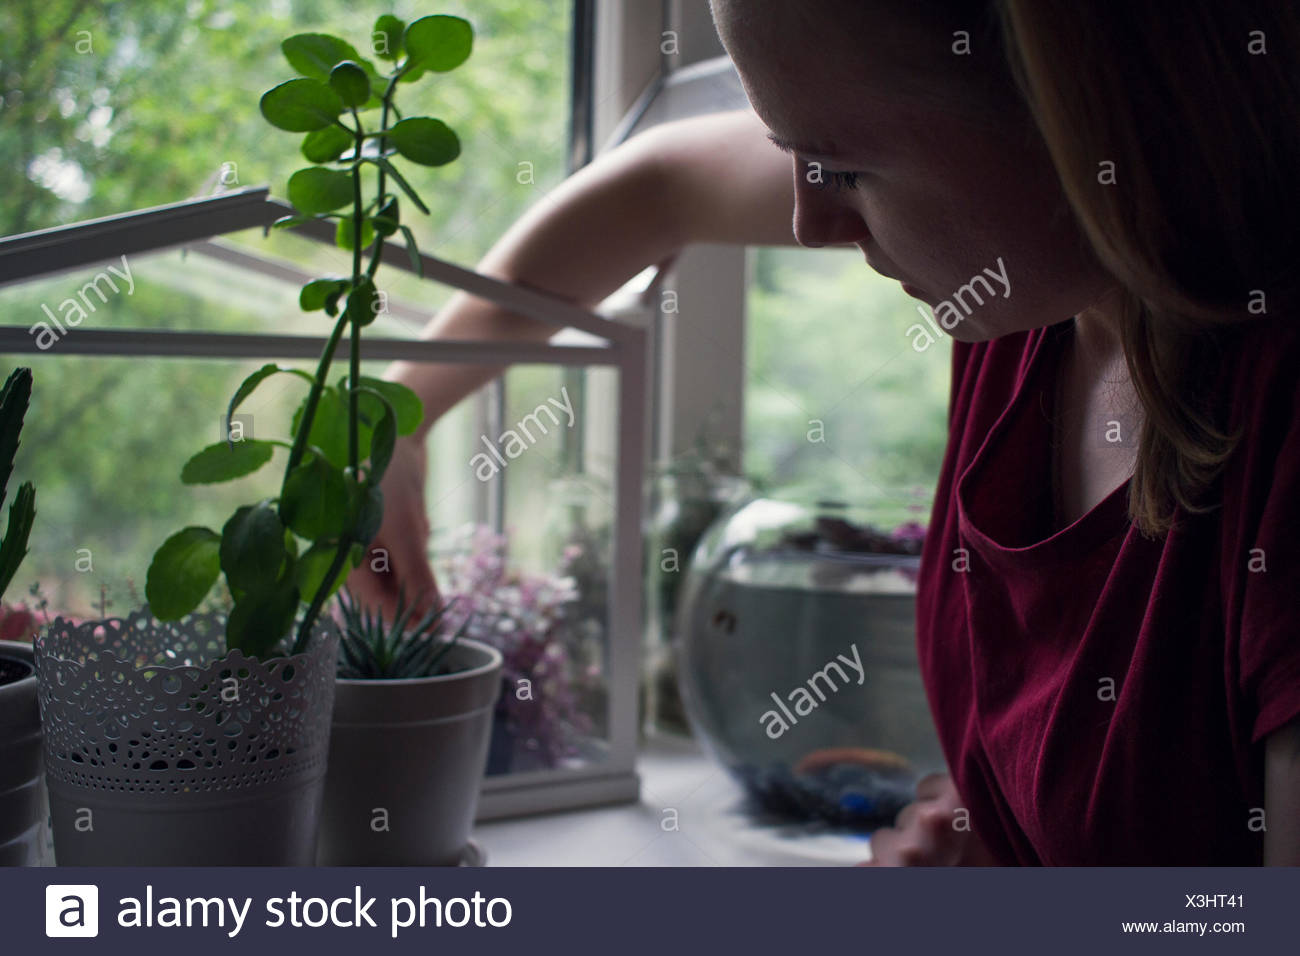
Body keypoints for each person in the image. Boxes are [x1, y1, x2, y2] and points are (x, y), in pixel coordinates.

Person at [351, 0, 1300, 865]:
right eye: (790, 153)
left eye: (843, 167)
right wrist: (393, 421)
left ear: (1083, 117)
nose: (807, 219)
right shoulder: (1039, 289)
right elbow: (659, 187)